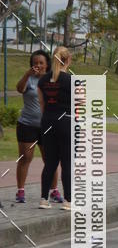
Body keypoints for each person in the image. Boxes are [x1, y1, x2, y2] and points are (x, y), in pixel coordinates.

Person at [15, 49, 62, 204]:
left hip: (47, 126)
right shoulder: (29, 79)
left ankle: (54, 190)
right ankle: (20, 191)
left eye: (41, 63)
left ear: (47, 64)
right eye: (35, 63)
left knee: (50, 160)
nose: (38, 65)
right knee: (25, 158)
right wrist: (27, 74)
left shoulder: (52, 79)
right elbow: (19, 89)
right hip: (27, 125)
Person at [37, 46, 72, 211]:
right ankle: (68, 201)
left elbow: (42, 104)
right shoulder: (71, 80)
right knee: (66, 162)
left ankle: (44, 199)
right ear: (68, 60)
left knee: (50, 162)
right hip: (66, 122)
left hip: (48, 122)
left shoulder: (42, 81)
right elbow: (79, 106)